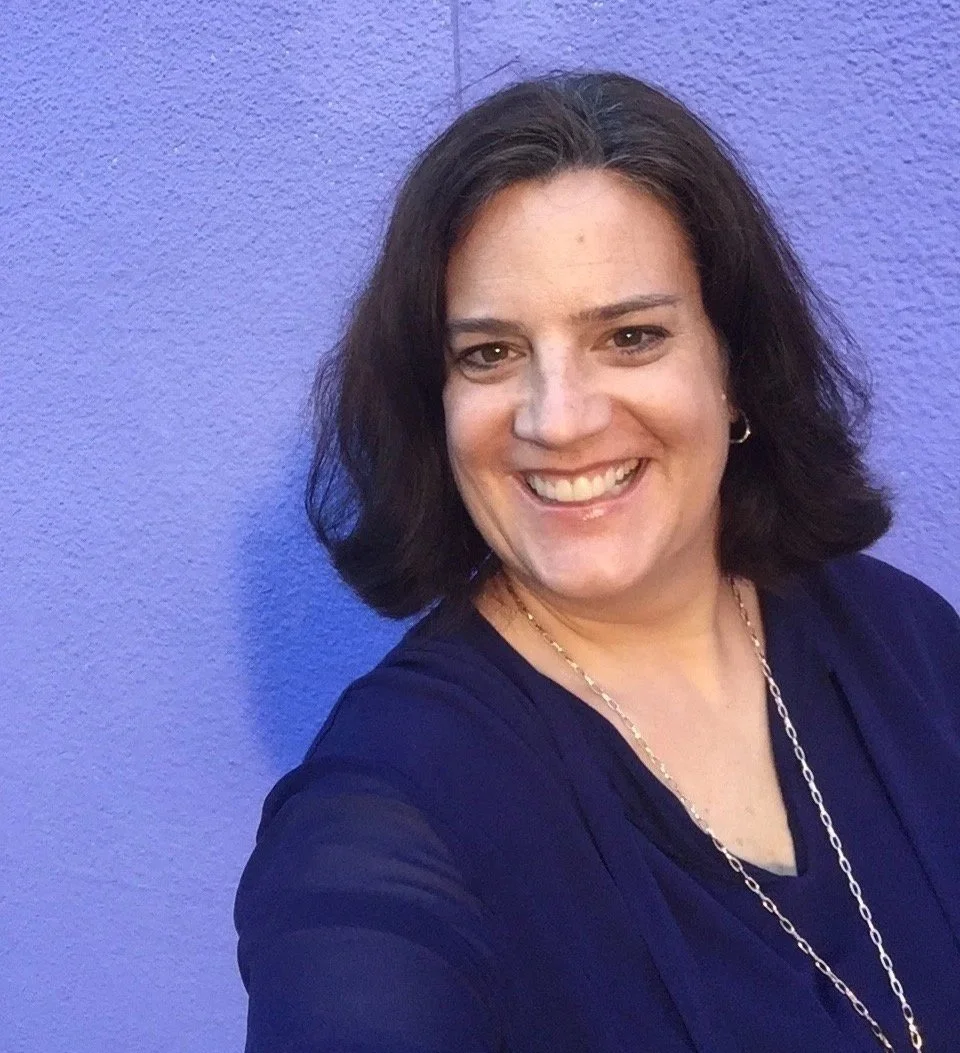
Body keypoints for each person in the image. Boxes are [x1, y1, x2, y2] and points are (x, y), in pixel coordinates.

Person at [234, 72, 960, 1052]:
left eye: (630, 336)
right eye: (490, 353)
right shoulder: (380, 817)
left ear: (735, 369)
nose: (559, 419)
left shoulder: (903, 639)